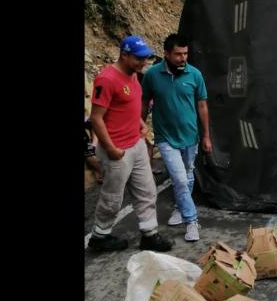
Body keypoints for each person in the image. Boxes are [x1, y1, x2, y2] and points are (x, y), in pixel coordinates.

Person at [88, 35, 174, 253]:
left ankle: (149, 233)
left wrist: (139, 124)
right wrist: (110, 149)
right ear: (124, 55)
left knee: (147, 191)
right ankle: (100, 236)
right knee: (112, 198)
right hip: (117, 149)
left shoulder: (134, 75)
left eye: (145, 58)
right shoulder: (107, 79)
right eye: (138, 58)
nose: (143, 62)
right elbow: (97, 118)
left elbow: (128, 105)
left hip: (135, 144)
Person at [141, 33, 211, 243]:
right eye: (178, 54)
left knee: (187, 174)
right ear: (166, 54)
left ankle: (180, 209)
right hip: (165, 137)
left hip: (191, 136)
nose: (183, 58)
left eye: (185, 53)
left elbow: (202, 105)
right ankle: (192, 221)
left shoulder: (195, 74)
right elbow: (144, 102)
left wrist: (206, 135)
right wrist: (140, 126)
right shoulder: (152, 75)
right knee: (180, 178)